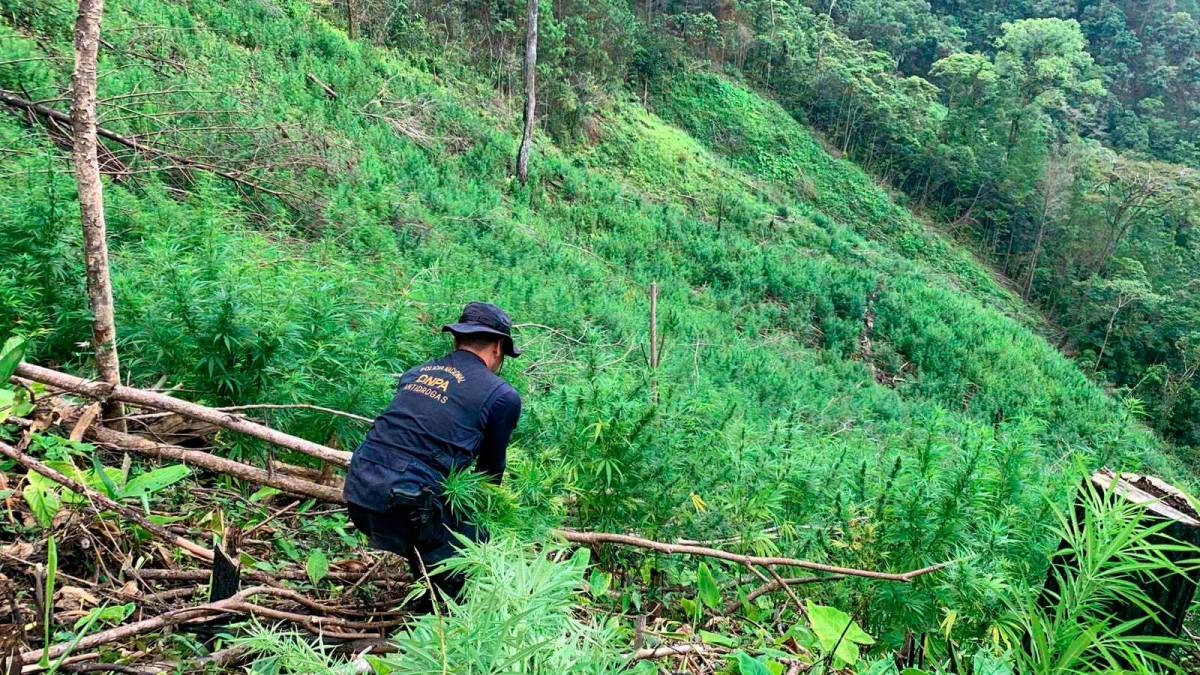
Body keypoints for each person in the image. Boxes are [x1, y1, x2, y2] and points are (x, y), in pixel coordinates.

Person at [343, 302, 522, 605]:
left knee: (435, 516)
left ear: (457, 339)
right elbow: (489, 475)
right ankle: (440, 623)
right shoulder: (502, 396)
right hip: (404, 509)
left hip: (358, 493)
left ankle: (427, 590)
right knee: (472, 542)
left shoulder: (416, 373)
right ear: (498, 346)